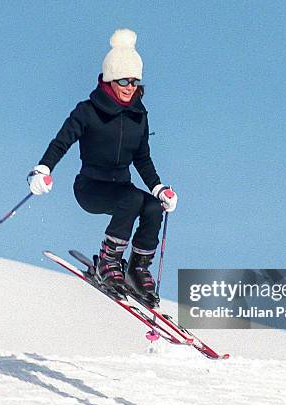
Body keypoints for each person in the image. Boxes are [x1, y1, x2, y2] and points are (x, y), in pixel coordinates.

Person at [27, 29, 177, 308]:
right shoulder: (87, 111)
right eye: (123, 80)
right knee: (131, 199)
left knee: (152, 207)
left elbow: (142, 158)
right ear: (109, 79)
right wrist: (42, 169)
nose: (130, 86)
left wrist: (159, 189)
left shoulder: (138, 116)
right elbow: (62, 142)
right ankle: (108, 261)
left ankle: (136, 269)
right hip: (91, 188)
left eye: (134, 80)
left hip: (121, 188)